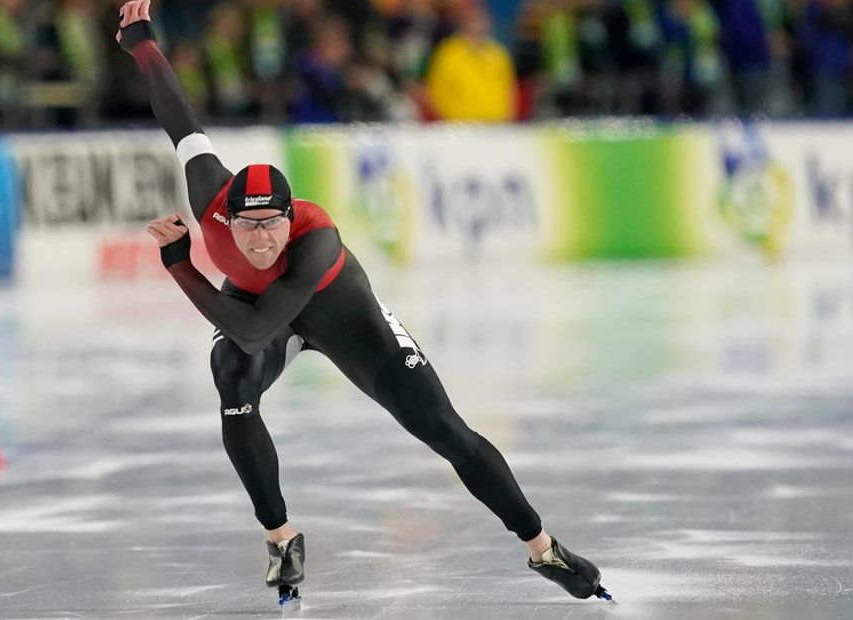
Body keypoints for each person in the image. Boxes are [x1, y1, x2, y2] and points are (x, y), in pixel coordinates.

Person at [116, 0, 610, 604]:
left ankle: (542, 547)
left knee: (444, 430)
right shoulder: (207, 192)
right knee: (232, 386)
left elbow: (255, 326)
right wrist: (143, 44)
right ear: (226, 215)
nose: (262, 239)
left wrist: (178, 265)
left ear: (291, 217)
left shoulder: (316, 239)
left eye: (273, 225)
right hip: (255, 308)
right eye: (249, 229)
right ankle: (281, 538)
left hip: (343, 318)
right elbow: (180, 117)